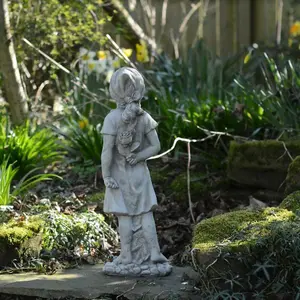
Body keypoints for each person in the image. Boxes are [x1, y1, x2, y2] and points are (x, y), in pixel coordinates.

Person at [101, 67, 167, 265]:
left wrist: (106, 176)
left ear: (114, 92)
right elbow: (156, 146)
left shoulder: (111, 118)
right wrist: (138, 157)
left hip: (119, 175)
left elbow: (107, 152)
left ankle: (127, 255)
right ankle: (154, 252)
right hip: (139, 173)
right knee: (145, 212)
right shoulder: (144, 117)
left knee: (125, 216)